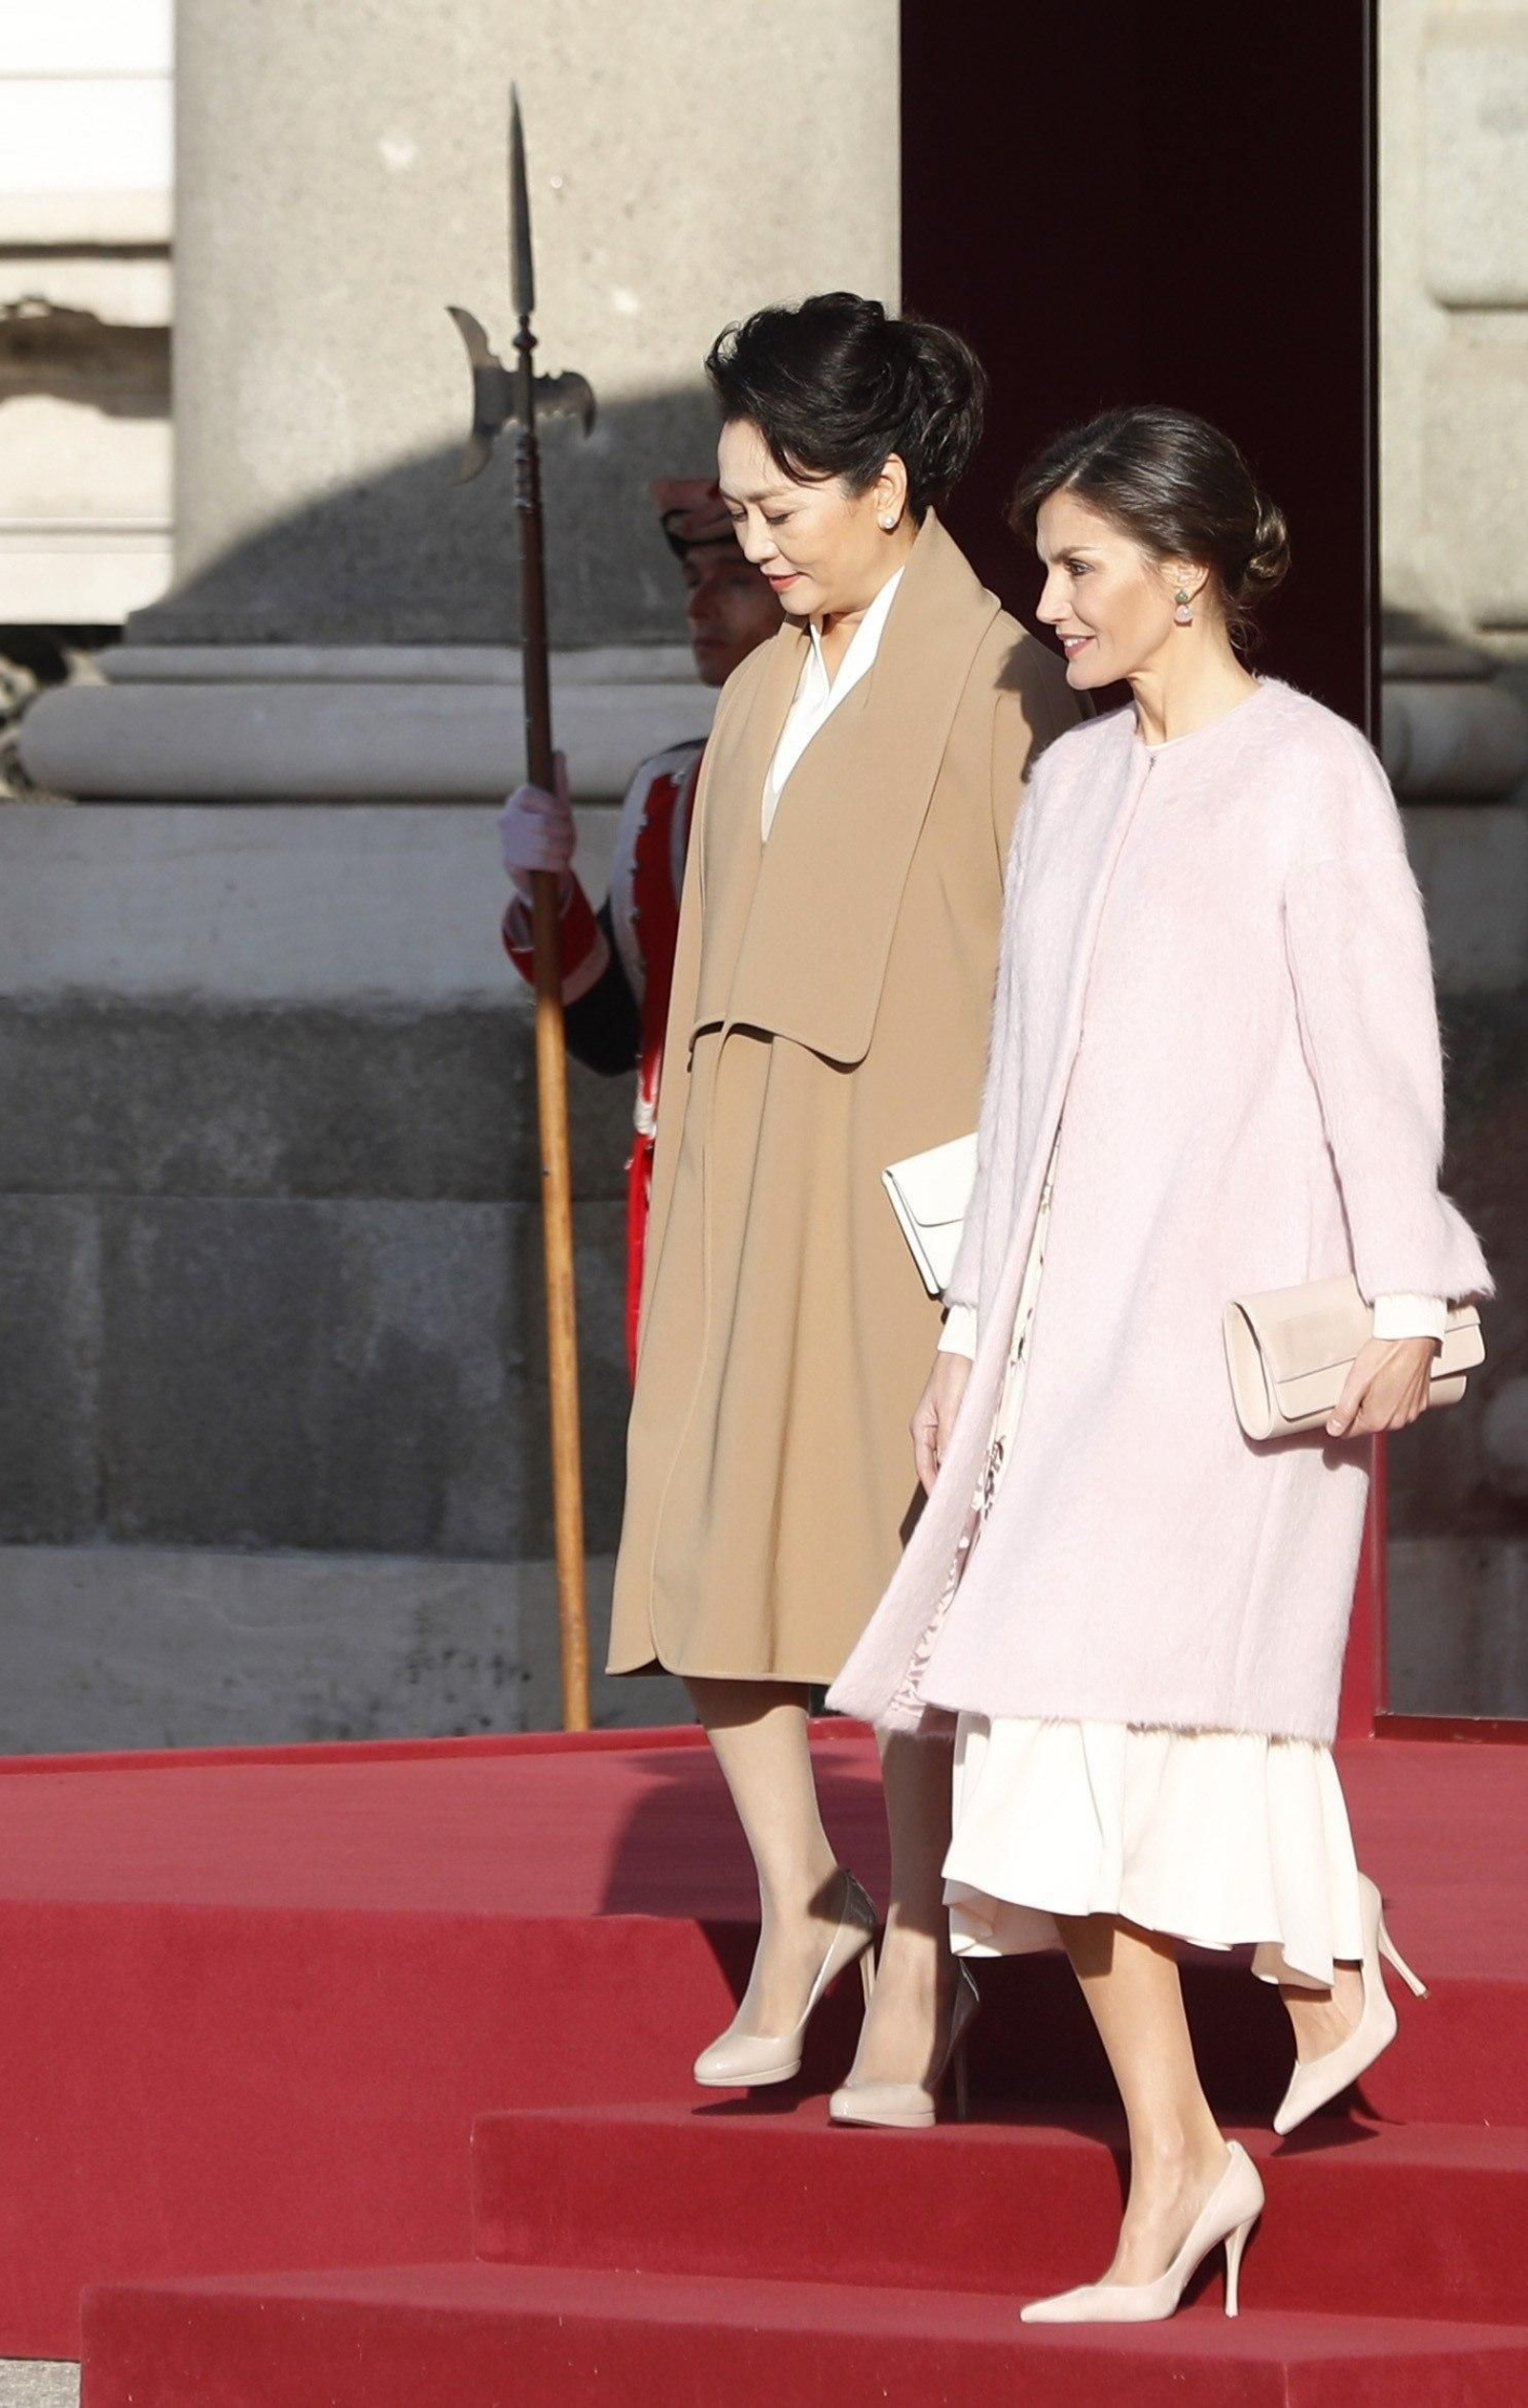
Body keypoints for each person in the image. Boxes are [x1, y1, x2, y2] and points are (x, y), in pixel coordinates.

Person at [830, 405, 1492, 2315]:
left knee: (1085, 1713)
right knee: (1052, 1729)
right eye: (1043, 568)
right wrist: (969, 1330)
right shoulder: (1068, 785)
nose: (1045, 606)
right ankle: (1245, 2069)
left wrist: (1403, 1297)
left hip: (1218, 1356)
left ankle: (1259, 2044)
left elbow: (1376, 1055)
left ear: (1186, 569)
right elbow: (1016, 1080)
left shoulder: (1309, 776)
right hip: (1061, 1351)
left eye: (1077, 567)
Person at [609, 293, 1077, 2105]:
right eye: (738, 509)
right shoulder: (751, 692)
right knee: (707, 1534)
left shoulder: (1012, 677)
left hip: (917, 1181)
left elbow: (1057, 974)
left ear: (888, 485)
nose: (753, 542)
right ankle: (802, 1897)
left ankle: (920, 1953)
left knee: (903, 1576)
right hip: (738, 1161)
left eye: (782, 507)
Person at [499, 480, 781, 1366]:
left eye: (733, 579)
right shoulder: (667, 786)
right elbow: (618, 1033)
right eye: (693, 580)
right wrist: (548, 895)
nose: (697, 606)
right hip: (683, 1191)